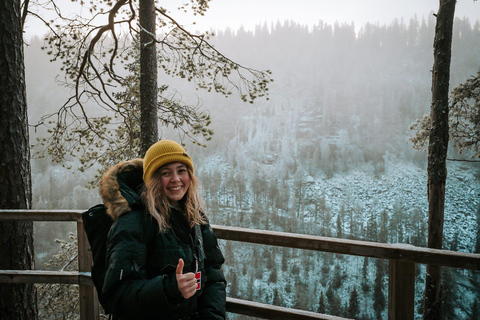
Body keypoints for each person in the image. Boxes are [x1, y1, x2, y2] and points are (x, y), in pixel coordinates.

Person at [98, 140, 226, 319]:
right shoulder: (134, 222)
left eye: (181, 170)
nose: (176, 179)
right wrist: (170, 288)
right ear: (153, 180)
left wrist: (212, 317)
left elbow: (213, 274)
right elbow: (117, 296)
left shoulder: (196, 217)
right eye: (166, 173)